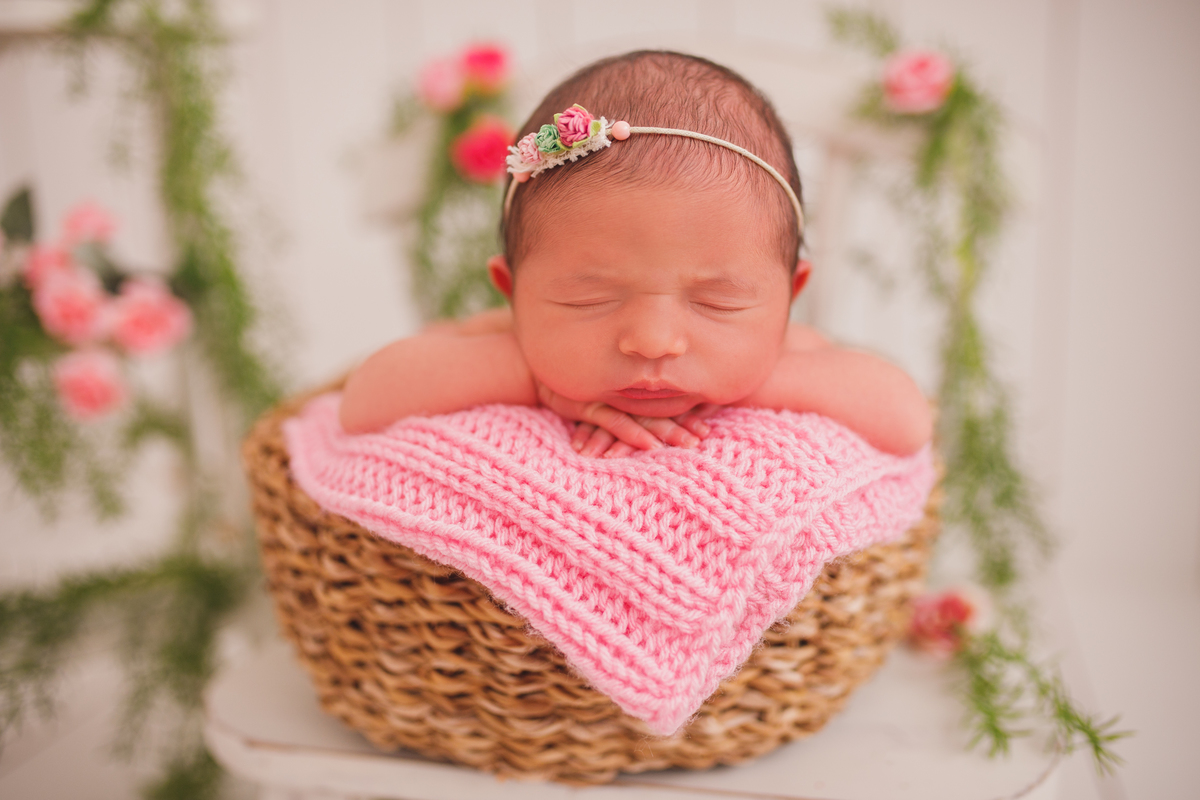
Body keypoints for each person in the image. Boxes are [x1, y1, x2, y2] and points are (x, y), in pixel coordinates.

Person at [339, 51, 932, 458]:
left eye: (716, 301)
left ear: (789, 294)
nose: (652, 341)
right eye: (587, 298)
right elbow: (363, 401)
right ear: (511, 289)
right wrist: (534, 379)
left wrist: (748, 380)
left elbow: (907, 421)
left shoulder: (789, 354)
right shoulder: (503, 339)